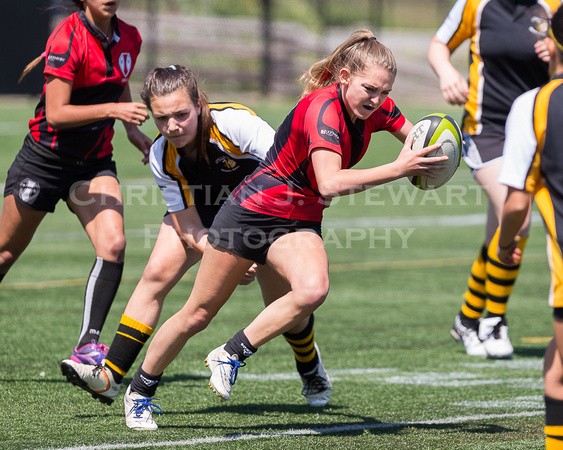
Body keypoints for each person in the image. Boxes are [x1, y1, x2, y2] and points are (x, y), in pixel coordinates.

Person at [116, 29, 448, 430]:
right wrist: (400, 169)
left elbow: (419, 140)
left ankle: (231, 353)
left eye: (384, 90)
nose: (376, 99)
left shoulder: (374, 106)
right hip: (252, 212)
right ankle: (139, 392)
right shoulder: (321, 110)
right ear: (343, 77)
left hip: (299, 218)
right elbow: (329, 183)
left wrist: (440, 152)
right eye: (369, 89)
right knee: (197, 313)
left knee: (312, 290)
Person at [60, 64, 333, 430]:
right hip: (204, 213)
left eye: (181, 115)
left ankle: (309, 365)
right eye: (161, 119)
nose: (172, 126)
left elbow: (288, 169)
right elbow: (188, 226)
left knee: (282, 304)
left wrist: (251, 244)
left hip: (265, 211)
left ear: (200, 104)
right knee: (157, 274)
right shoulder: (162, 155)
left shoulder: (236, 123)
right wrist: (226, 254)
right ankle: (112, 376)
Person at [0, 0, 152, 364]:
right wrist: (115, 111)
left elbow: (120, 83)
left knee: (113, 245)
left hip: (94, 164)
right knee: (5, 252)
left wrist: (131, 130)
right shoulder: (67, 36)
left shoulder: (130, 36)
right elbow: (56, 114)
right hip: (44, 162)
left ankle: (87, 345)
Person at [427, 0, 561, 358]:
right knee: (515, 220)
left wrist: (553, 48)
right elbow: (439, 45)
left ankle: (468, 318)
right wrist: (447, 73)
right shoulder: (475, 4)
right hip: (487, 130)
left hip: (533, 127)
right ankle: (494, 321)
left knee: (500, 229)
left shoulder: (551, 6)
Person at [496, 7, 563, 446]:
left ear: (552, 43)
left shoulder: (535, 105)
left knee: (560, 374)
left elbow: (518, 201)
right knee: (554, 365)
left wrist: (504, 246)